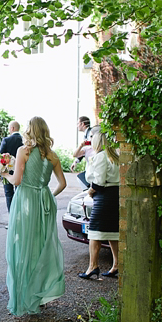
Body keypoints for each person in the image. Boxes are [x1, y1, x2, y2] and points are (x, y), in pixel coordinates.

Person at [1, 117, 67, 316]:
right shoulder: (53, 155)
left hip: (25, 201)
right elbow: (62, 183)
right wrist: (47, 195)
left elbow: (17, 180)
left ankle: (24, 294)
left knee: (22, 246)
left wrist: (4, 174)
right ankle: (38, 295)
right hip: (43, 201)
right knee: (40, 247)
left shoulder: (24, 151)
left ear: (30, 130)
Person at [78, 131, 120, 279]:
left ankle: (92, 267)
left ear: (97, 142)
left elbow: (99, 182)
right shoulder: (117, 155)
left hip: (104, 197)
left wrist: (90, 191)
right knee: (113, 232)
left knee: (94, 233)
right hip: (116, 195)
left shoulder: (101, 156)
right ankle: (116, 265)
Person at [0, 120, 24, 212]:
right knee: (19, 194)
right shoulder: (24, 140)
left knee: (9, 194)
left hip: (7, 172)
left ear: (12, 128)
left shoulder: (6, 140)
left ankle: (12, 218)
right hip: (21, 172)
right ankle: (20, 216)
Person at [70, 116, 93, 189]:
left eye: (78, 123)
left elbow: (88, 148)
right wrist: (76, 161)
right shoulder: (86, 134)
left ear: (82, 124)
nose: (77, 126)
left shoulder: (91, 133)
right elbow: (85, 150)